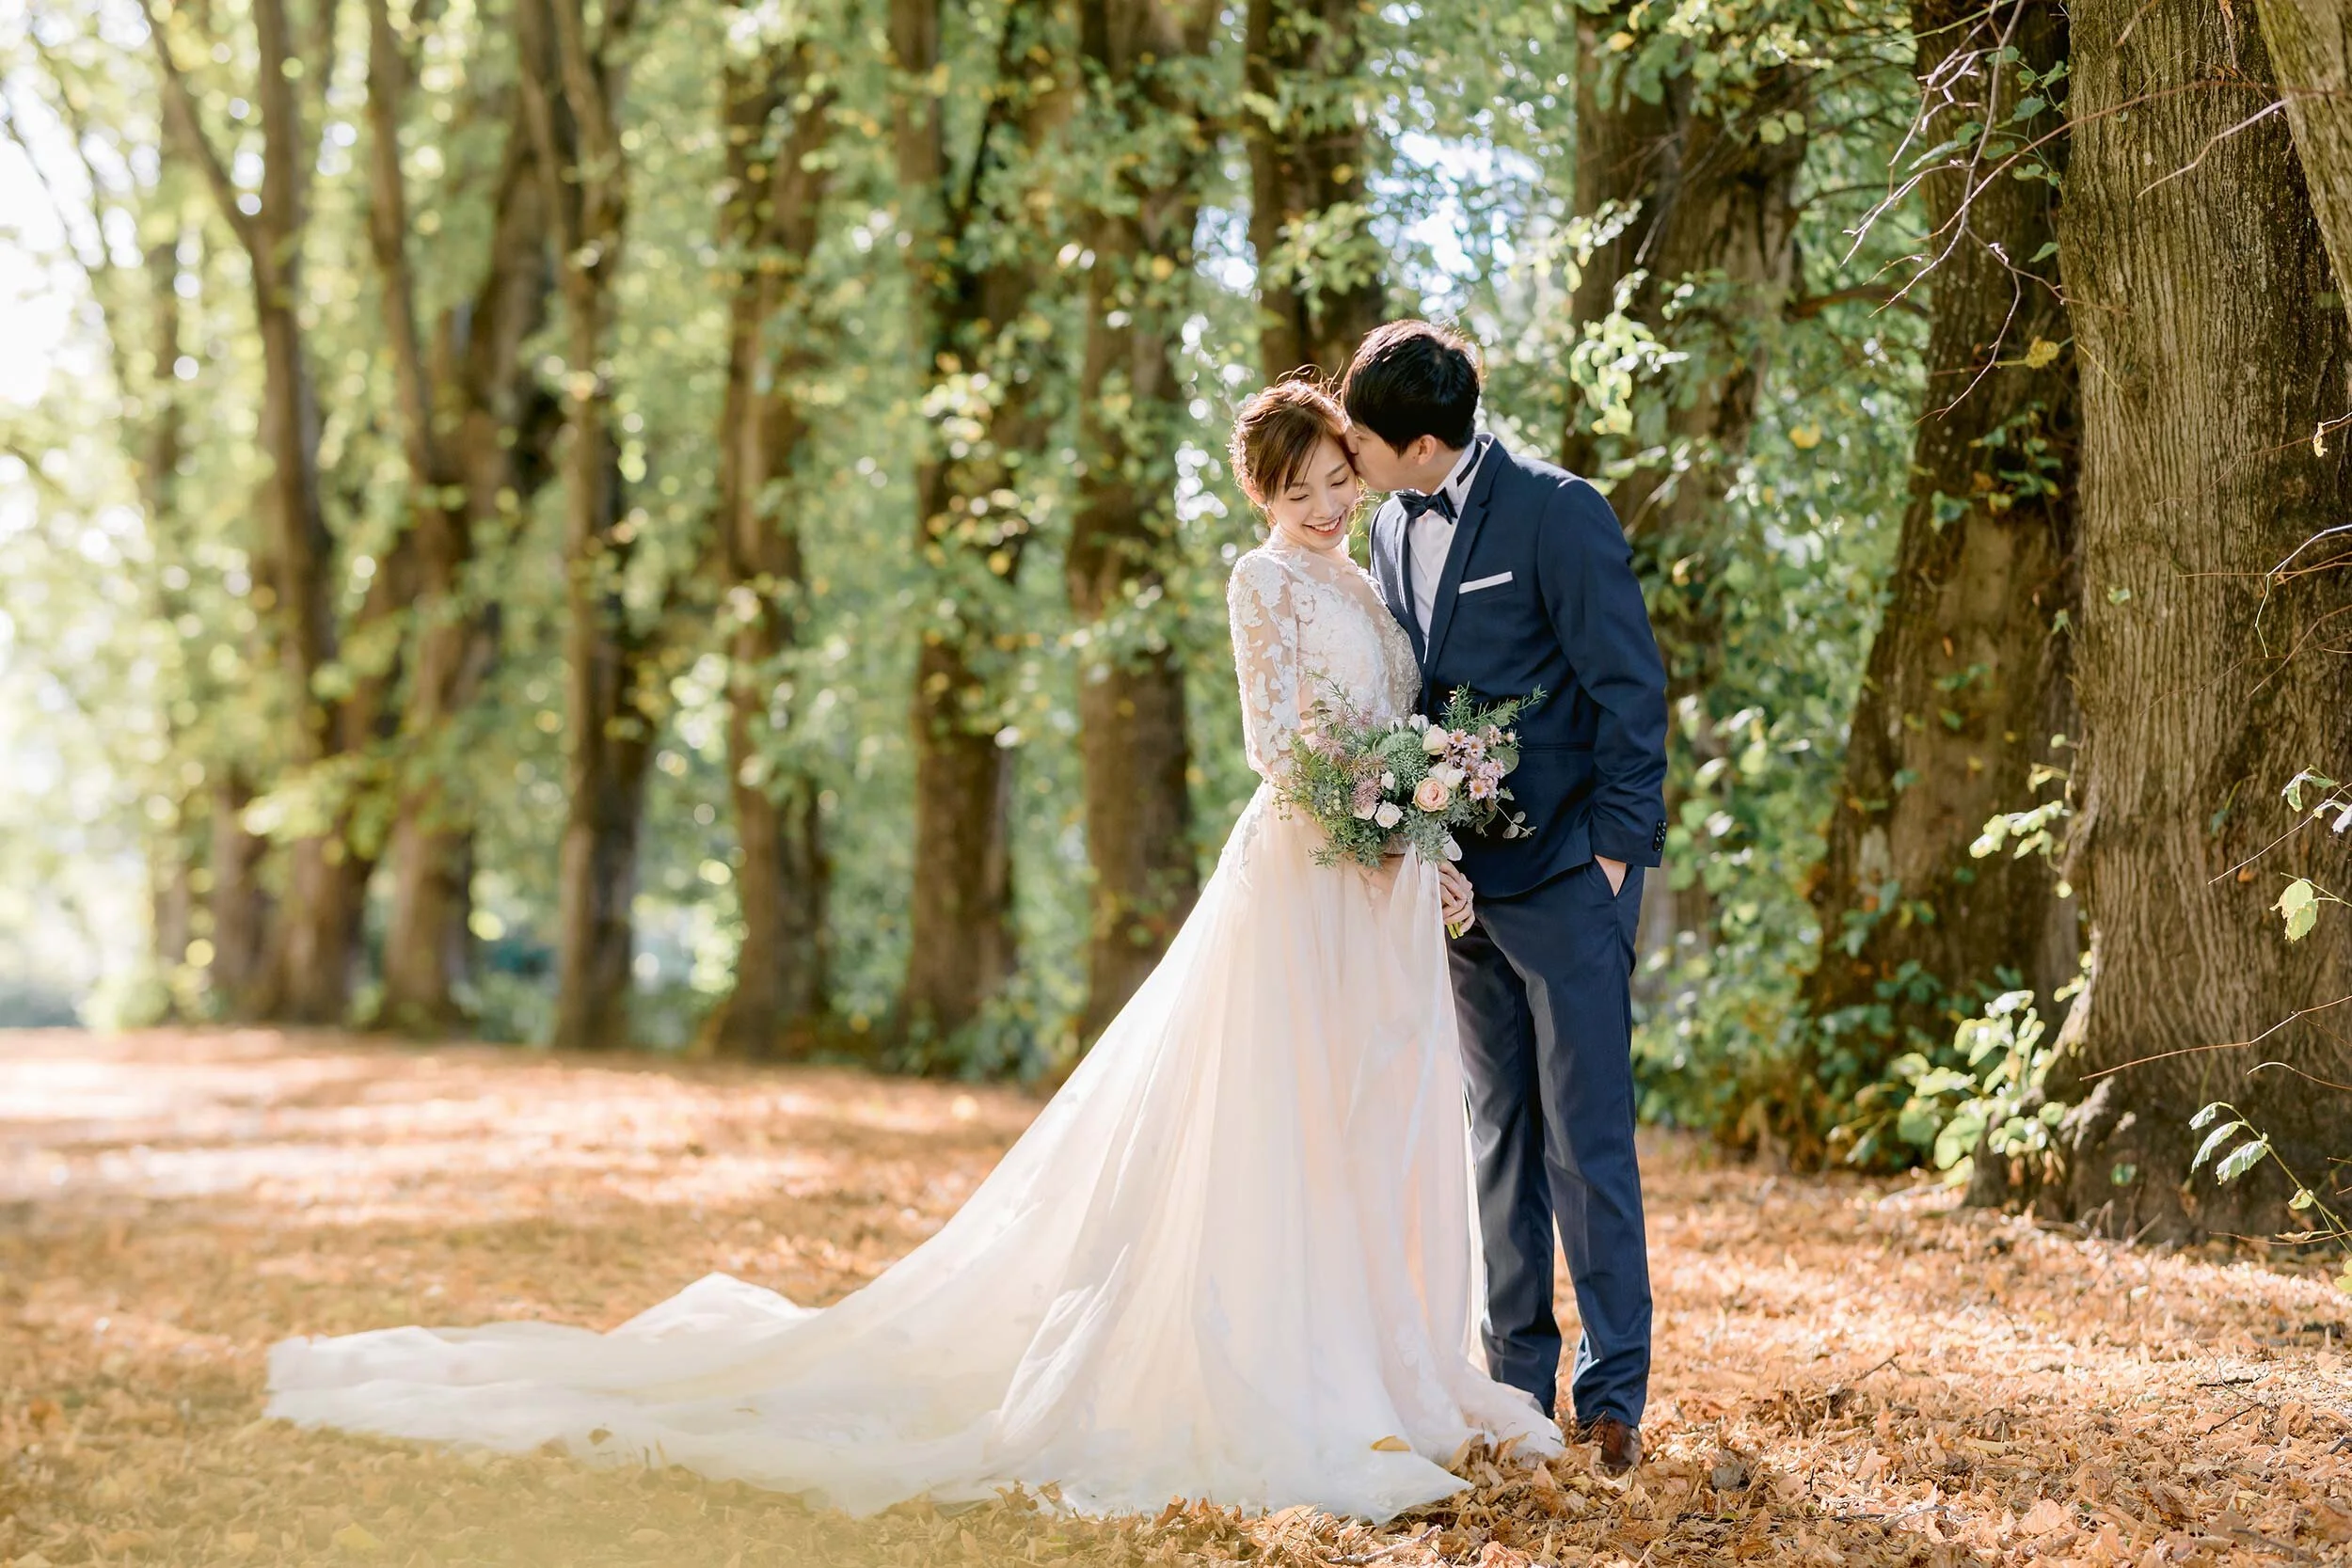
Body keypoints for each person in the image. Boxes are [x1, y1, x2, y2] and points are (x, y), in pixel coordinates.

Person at [265, 378, 1560, 1524]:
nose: (1327, 503)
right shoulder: (1263, 580)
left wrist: (1425, 821)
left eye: (1339, 479)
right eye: (1300, 487)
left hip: (1384, 893)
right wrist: (1379, 799)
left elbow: (1402, 709)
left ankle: (1398, 1362)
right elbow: (1277, 745)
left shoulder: (1372, 575)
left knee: (1378, 1115)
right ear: (1262, 493)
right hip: (1304, 875)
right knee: (1284, 1118)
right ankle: (1298, 1368)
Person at [1343, 321, 1670, 1479]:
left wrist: (1617, 861)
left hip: (1570, 876)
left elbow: (1630, 687)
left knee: (1590, 1140)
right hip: (1455, 883)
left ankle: (1614, 1390)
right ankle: (1518, 1381)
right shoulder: (1385, 526)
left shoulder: (1557, 508)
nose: (1351, 457)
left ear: (1422, 443)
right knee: (1499, 1139)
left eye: (1365, 440)